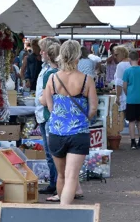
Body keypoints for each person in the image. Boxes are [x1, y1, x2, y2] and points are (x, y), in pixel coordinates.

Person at [41, 40, 98, 206]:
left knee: (61, 175)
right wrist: (82, 119)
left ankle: (61, 210)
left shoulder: (52, 78)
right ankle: (65, 210)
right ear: (77, 57)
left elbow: (49, 106)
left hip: (56, 133)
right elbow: (93, 108)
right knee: (72, 176)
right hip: (79, 132)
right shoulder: (87, 80)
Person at [36, 38, 61, 197]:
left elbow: (45, 100)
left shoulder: (50, 73)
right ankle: (56, 183)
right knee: (53, 154)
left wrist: (40, 99)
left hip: (47, 116)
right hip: (45, 115)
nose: (40, 53)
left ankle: (55, 184)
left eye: (42, 51)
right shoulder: (47, 70)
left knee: (52, 154)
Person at [122, 50, 140, 150]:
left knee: (131, 121)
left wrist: (128, 93)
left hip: (131, 98)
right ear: (138, 59)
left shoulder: (127, 71)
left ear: (129, 59)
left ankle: (133, 141)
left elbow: (124, 86)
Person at [112, 45, 130, 118]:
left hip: (123, 95)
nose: (115, 57)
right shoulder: (131, 63)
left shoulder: (120, 65)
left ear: (122, 53)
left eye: (116, 54)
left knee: (122, 121)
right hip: (132, 95)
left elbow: (119, 83)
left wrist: (117, 97)